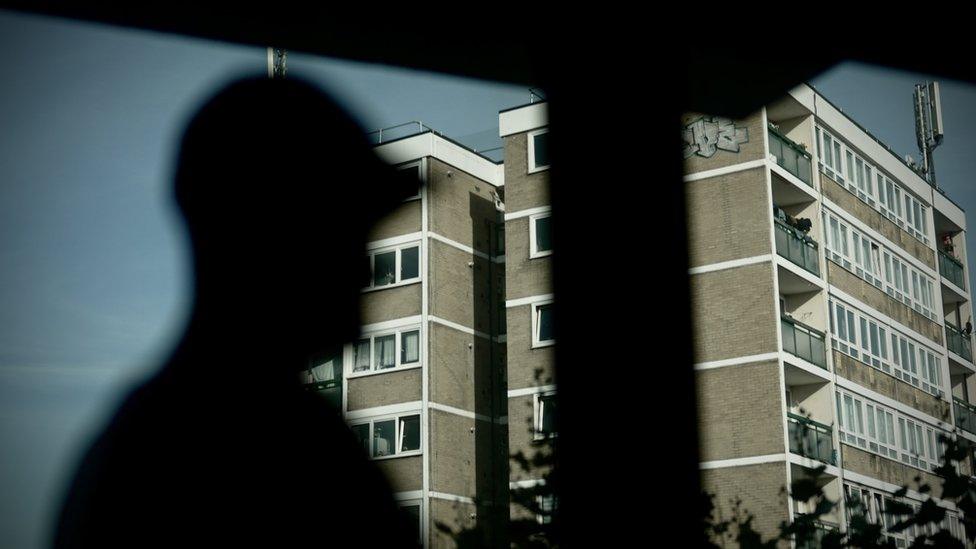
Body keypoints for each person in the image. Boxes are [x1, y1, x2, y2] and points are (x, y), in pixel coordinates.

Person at [52, 77, 418, 548]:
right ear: (264, 236)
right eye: (344, 231)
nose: (366, 271)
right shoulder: (287, 454)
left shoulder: (152, 446)